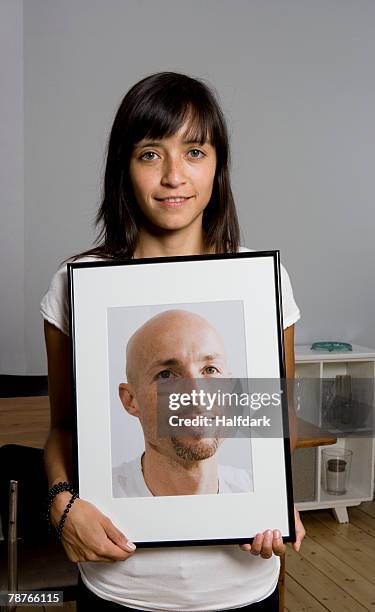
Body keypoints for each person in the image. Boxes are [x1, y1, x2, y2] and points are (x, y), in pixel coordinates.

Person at [41, 71, 306, 611]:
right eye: (149, 154)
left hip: (243, 585)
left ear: (218, 165)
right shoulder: (75, 284)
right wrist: (61, 506)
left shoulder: (263, 284)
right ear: (125, 168)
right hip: (120, 587)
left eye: (194, 151)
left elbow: (277, 420)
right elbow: (64, 429)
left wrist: (274, 498)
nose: (173, 176)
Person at [113, 308, 253, 497]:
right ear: (131, 400)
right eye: (166, 375)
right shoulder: (98, 505)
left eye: (210, 370)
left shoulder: (258, 495)